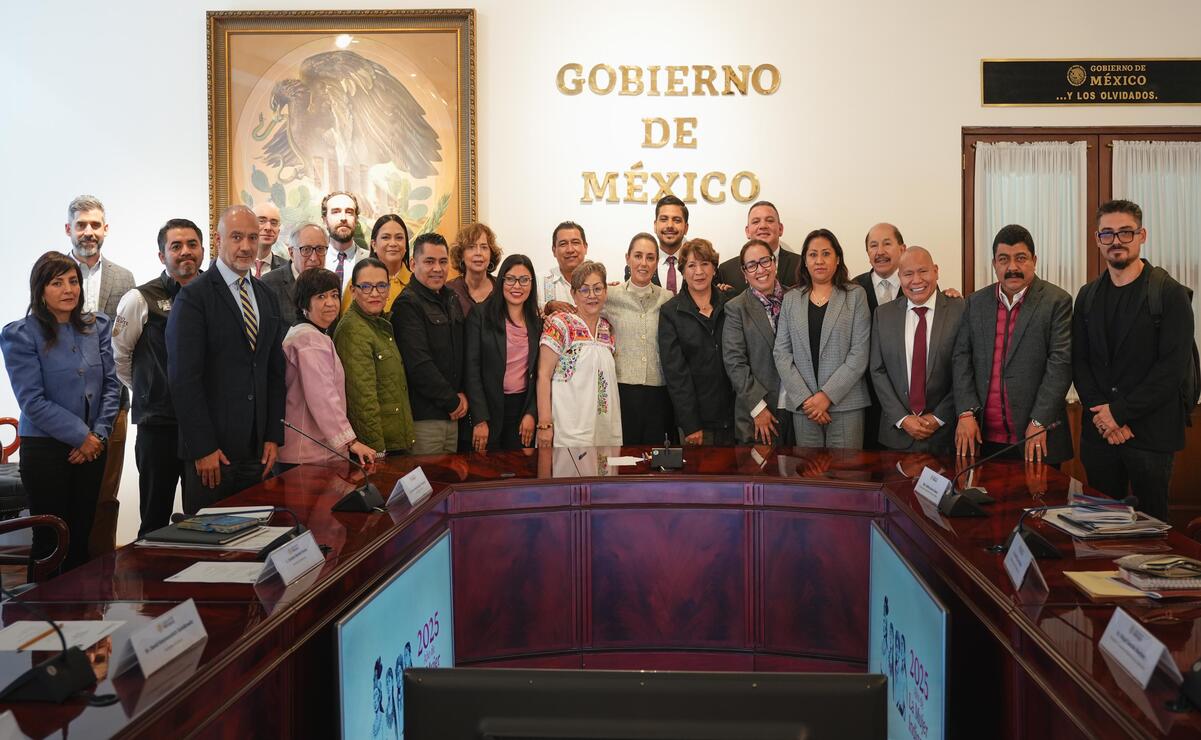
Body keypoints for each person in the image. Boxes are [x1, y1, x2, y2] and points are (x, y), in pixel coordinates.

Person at [1073, 199, 1195, 522]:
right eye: (1107, 233)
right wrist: (1104, 416)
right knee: (1099, 531)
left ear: (1142, 235)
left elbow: (1170, 370)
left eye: (1125, 232)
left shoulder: (1169, 294)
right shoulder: (1087, 296)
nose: (1116, 241)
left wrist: (1118, 414)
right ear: (1097, 239)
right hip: (1100, 435)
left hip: (1150, 436)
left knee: (1151, 531)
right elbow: (1079, 362)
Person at [1, 251, 120, 574]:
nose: (68, 289)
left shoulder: (97, 327)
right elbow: (32, 401)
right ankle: (39, 606)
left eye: (73, 281)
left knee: (81, 539)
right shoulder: (20, 334)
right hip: (46, 451)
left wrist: (98, 436)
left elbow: (112, 386)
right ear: (40, 290)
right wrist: (81, 436)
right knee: (50, 543)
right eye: (57, 283)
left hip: (93, 447)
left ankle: (78, 604)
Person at [167, 205, 287, 513]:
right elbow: (183, 380)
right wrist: (202, 447)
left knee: (257, 534)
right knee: (209, 540)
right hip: (213, 454)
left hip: (258, 451)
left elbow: (274, 371)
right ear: (219, 240)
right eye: (236, 237)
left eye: (252, 237)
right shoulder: (194, 297)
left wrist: (273, 436)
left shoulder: (266, 295)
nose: (246, 246)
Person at [112, 218, 204, 536]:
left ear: (203, 250)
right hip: (158, 426)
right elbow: (120, 356)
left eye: (192, 244)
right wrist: (149, 389)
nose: (185, 251)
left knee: (204, 518)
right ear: (162, 255)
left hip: (203, 427)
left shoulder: (214, 295)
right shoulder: (139, 298)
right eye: (176, 246)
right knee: (154, 519)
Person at [952, 224, 1074, 464]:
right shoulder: (975, 303)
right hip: (983, 439)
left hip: (1036, 436)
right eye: (1003, 259)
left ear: (1034, 260)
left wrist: (1039, 421)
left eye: (1021, 258)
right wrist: (965, 412)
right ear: (994, 263)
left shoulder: (1056, 301)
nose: (1012, 268)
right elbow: (961, 358)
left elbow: (1061, 364)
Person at [63, 195, 135, 556]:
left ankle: (102, 569)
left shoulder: (124, 278)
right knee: (65, 492)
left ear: (105, 229)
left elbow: (128, 340)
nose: (88, 232)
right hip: (64, 403)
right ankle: (65, 568)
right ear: (68, 229)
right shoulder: (53, 274)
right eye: (81, 225)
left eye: (95, 225)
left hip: (112, 401)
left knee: (106, 494)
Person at [773, 229, 871, 447]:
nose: (819, 260)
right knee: (809, 468)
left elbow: (860, 353)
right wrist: (806, 399)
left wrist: (826, 396)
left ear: (838, 259)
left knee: (846, 468)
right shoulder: (791, 299)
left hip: (846, 405)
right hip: (804, 408)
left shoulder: (855, 295)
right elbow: (781, 353)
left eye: (826, 254)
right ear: (805, 261)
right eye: (813, 254)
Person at [278, 268, 377, 470]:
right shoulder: (309, 339)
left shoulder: (309, 334)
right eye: (321, 297)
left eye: (334, 295)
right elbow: (322, 395)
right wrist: (350, 441)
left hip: (310, 450)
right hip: (307, 453)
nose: (331, 303)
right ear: (303, 303)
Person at [869, 247, 965, 453]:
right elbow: (877, 371)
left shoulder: (959, 310)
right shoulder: (883, 315)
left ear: (936, 271)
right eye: (908, 274)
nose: (916, 280)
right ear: (899, 277)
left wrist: (939, 417)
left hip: (945, 436)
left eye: (923, 271)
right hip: (896, 437)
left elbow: (966, 372)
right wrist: (902, 418)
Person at [392, 233, 467, 454]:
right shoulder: (407, 304)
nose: (437, 268)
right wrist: (452, 401)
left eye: (443, 261)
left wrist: (461, 396)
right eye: (429, 261)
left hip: (454, 416)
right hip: (425, 419)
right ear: (413, 263)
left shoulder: (451, 297)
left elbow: (461, 353)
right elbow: (418, 364)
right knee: (428, 476)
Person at [333, 258, 416, 454]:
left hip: (395, 439)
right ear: (353, 291)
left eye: (381, 286)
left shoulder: (379, 323)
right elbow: (362, 402)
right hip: (378, 449)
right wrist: (377, 453)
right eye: (366, 287)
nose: (375, 293)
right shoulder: (353, 330)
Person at [536, 261, 622, 447]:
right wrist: (544, 424)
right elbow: (543, 375)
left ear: (605, 292)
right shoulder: (560, 325)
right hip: (567, 431)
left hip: (603, 430)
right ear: (574, 294)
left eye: (597, 289)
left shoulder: (607, 329)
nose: (592, 295)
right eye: (584, 290)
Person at [659, 238, 735, 445]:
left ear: (714, 268)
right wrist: (691, 424)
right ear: (683, 271)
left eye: (705, 264)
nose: (699, 272)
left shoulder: (731, 304)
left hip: (736, 417)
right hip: (698, 422)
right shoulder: (670, 312)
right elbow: (676, 374)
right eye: (691, 265)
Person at [464, 255, 541, 451]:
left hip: (521, 410)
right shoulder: (480, 315)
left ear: (532, 284)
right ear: (501, 281)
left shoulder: (536, 322)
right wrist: (480, 418)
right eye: (510, 279)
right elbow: (471, 370)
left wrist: (531, 413)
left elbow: (540, 373)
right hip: (488, 408)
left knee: (519, 467)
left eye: (524, 280)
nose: (517, 286)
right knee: (487, 467)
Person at [605, 233, 675, 444]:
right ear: (627, 258)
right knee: (625, 454)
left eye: (650, 257)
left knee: (656, 455)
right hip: (622, 389)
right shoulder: (609, 295)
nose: (643, 263)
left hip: (659, 391)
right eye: (638, 256)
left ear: (656, 262)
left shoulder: (667, 298)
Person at [724, 239, 793, 446]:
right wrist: (758, 407)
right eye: (752, 265)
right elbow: (735, 363)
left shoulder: (796, 298)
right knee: (760, 467)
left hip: (799, 409)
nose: (760, 270)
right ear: (744, 274)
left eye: (765, 261)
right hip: (759, 414)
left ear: (774, 263)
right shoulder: (736, 308)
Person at [852, 223, 907, 450]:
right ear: (867, 253)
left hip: (907, 398)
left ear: (902, 249)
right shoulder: (853, 289)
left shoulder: (916, 284)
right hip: (866, 399)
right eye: (873, 246)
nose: (880, 251)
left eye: (887, 244)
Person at [716, 201, 802, 294]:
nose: (763, 226)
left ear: (780, 229)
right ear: (747, 231)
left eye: (769, 220)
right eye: (756, 222)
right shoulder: (726, 271)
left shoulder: (801, 264)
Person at [261, 223, 328, 326]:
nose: (314, 258)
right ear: (291, 253)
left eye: (320, 249)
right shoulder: (268, 284)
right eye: (306, 249)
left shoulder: (330, 283)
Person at [343, 214, 411, 314]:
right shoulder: (358, 282)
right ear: (374, 245)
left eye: (399, 237)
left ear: (406, 245)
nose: (393, 243)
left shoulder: (417, 282)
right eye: (386, 237)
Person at [623, 196, 688, 293]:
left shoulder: (698, 266)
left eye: (677, 220)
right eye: (664, 219)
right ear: (655, 225)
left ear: (686, 228)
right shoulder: (634, 268)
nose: (670, 225)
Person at [447, 223, 500, 317]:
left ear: (491, 254)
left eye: (484, 247)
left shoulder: (502, 288)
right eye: (471, 247)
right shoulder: (448, 290)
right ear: (461, 254)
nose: (478, 253)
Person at [540, 221, 588, 315]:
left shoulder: (598, 281)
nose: (570, 250)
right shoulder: (539, 281)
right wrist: (548, 306)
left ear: (585, 247)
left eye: (575, 243)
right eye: (563, 244)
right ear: (554, 250)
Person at [323, 191, 369, 289]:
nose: (343, 218)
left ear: (356, 220)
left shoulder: (371, 260)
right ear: (325, 220)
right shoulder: (315, 260)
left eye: (349, 212)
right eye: (336, 212)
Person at [252, 202, 287, 277]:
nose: (268, 227)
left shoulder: (287, 269)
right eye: (261, 221)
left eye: (273, 223)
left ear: (278, 231)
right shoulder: (233, 265)